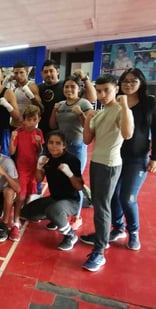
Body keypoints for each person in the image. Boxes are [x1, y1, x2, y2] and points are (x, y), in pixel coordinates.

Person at [80, 74, 134, 272]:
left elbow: (127, 134)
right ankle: (101, 240)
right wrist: (87, 119)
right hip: (97, 163)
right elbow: (87, 140)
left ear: (116, 89)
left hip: (109, 165)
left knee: (102, 207)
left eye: (106, 90)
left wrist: (125, 104)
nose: (102, 95)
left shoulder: (121, 110)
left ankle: (100, 251)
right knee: (100, 205)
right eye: (99, 90)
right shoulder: (101, 113)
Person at [109, 68, 156, 250]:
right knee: (113, 195)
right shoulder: (115, 101)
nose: (128, 84)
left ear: (141, 83)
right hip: (115, 156)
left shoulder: (149, 103)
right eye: (125, 81)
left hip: (137, 159)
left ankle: (133, 232)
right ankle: (118, 227)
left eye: (133, 81)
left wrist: (154, 158)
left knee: (127, 197)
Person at [21, 130, 83, 251]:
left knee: (53, 211)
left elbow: (79, 187)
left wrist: (70, 174)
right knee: (25, 213)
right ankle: (56, 218)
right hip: (54, 198)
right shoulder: (47, 158)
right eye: (51, 142)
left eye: (58, 143)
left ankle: (70, 235)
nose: (53, 146)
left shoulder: (72, 160)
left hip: (71, 201)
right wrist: (38, 167)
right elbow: (39, 179)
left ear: (64, 145)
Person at [49, 75, 93, 230]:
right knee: (60, 180)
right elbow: (53, 124)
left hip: (77, 147)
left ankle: (77, 216)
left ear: (79, 88)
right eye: (66, 86)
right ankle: (60, 215)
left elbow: (89, 127)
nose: (69, 89)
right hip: (61, 149)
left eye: (72, 86)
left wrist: (80, 113)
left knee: (76, 182)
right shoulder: (60, 104)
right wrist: (54, 111)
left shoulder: (84, 103)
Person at [8, 105, 44, 241]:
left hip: (33, 168)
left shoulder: (38, 132)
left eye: (34, 120)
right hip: (22, 169)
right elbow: (11, 152)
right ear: (23, 120)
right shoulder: (18, 131)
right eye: (28, 120)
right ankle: (15, 223)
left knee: (29, 193)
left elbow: (39, 152)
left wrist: (39, 144)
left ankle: (24, 212)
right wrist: (12, 139)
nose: (31, 123)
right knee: (20, 197)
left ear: (38, 119)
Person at [37, 59, 66, 141]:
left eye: (51, 71)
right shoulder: (39, 88)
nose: (48, 74)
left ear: (57, 71)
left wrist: (85, 79)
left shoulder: (65, 86)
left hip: (61, 130)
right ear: (42, 74)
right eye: (45, 72)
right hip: (42, 130)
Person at [9, 61, 43, 125]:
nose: (18, 75)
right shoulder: (15, 88)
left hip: (28, 125)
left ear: (27, 73)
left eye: (21, 72)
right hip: (15, 124)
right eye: (16, 73)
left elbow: (40, 108)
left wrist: (31, 97)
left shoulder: (32, 86)